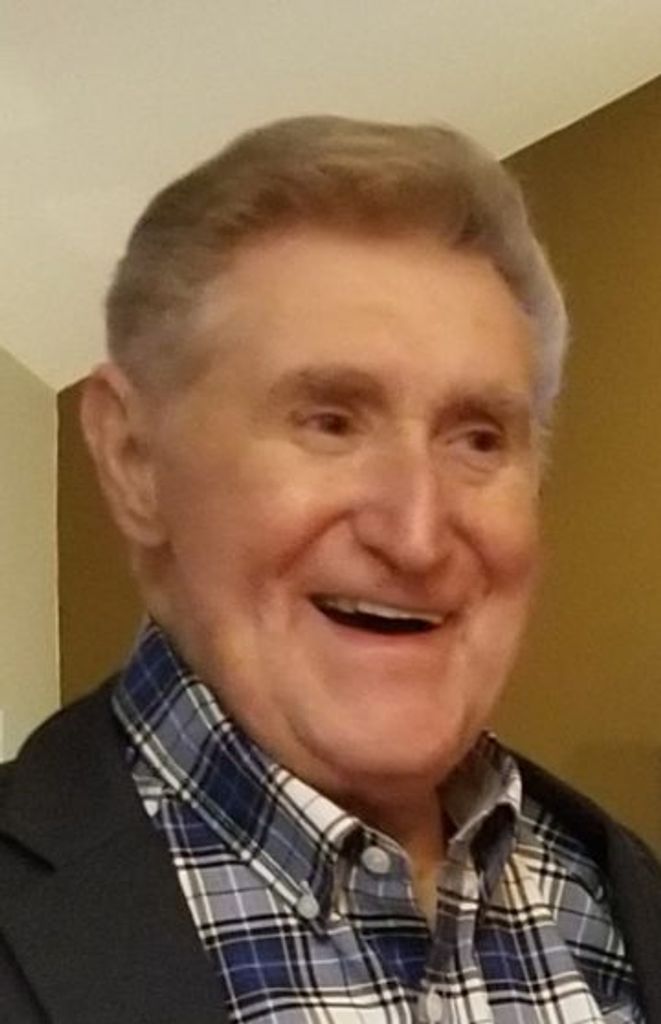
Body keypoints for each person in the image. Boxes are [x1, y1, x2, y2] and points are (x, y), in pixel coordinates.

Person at [1, 116, 659, 1024]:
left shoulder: (621, 903)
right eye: (330, 422)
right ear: (133, 458)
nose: (416, 536)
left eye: (477, 438)